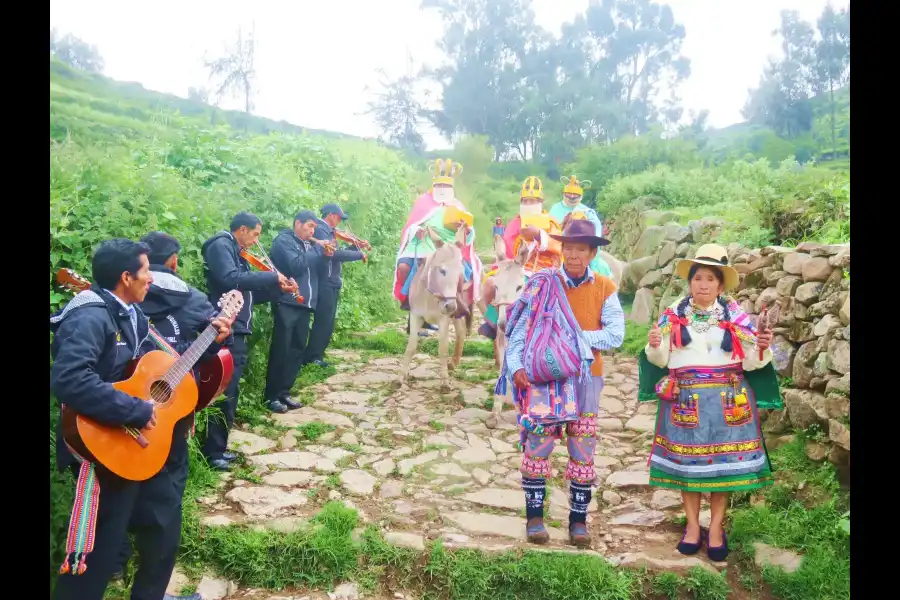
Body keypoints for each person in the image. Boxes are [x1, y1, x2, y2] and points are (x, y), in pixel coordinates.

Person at [50, 238, 231, 600]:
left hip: (139, 442)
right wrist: (135, 410)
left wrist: (209, 343)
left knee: (163, 526)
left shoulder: (132, 314)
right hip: (103, 446)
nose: (152, 278)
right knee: (97, 554)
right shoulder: (89, 315)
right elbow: (68, 379)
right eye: (147, 271)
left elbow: (163, 365)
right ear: (126, 277)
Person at [638, 243, 782, 562]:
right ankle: (692, 527)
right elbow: (660, 358)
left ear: (720, 284)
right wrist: (654, 345)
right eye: (698, 278)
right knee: (687, 467)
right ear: (690, 282)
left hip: (728, 402)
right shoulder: (673, 315)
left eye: (710, 279)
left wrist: (762, 347)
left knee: (722, 470)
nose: (703, 285)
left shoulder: (735, 316)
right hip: (685, 400)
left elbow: (753, 363)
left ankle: (715, 528)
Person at [502, 219, 625, 547]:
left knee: (582, 449)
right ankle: (535, 519)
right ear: (561, 250)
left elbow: (615, 334)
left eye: (580, 249)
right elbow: (519, 329)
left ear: (592, 253)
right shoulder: (541, 284)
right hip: (543, 380)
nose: (572, 254)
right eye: (568, 247)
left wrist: (568, 341)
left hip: (585, 379)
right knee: (537, 446)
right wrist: (515, 366)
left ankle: (578, 523)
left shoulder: (604, 288)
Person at [201, 212, 297, 468]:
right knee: (225, 388)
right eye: (254, 234)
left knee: (231, 389)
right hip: (226, 327)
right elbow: (229, 279)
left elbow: (248, 295)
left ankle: (219, 448)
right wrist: (270, 276)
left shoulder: (237, 251)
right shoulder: (220, 245)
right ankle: (213, 453)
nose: (256, 241)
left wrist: (278, 287)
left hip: (239, 327)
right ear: (242, 229)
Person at [393, 158, 482, 316]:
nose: (442, 188)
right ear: (434, 186)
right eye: (439, 185)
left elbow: (469, 233)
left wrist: (465, 229)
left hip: (449, 247)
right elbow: (411, 225)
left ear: (451, 187)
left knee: (464, 271)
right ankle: (409, 298)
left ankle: (459, 301)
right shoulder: (422, 203)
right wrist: (417, 230)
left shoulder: (458, 206)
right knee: (407, 266)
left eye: (446, 185)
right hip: (423, 244)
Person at [264, 210, 331, 412]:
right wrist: (316, 248)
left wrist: (326, 256)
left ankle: (285, 392)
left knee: (297, 349)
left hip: (306, 302)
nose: (312, 231)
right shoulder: (284, 241)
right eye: (309, 226)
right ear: (297, 224)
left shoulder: (309, 246)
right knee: (282, 349)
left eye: (314, 228)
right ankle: (271, 396)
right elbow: (296, 265)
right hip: (287, 301)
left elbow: (318, 272)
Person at [479, 176, 562, 339]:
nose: (529, 205)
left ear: (540, 202)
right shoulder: (514, 223)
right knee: (490, 284)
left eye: (533, 201)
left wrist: (539, 235)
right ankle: (491, 322)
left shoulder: (551, 223)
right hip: (516, 268)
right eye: (525, 201)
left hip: (544, 271)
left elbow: (559, 245)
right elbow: (508, 251)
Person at [302, 203, 367, 368]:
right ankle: (312, 357)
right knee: (323, 320)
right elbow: (334, 254)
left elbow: (339, 252)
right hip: (325, 281)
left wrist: (356, 247)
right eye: (338, 217)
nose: (339, 222)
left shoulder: (329, 231)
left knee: (328, 320)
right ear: (330, 215)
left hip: (332, 281)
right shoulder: (321, 230)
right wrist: (358, 254)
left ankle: (318, 355)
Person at [548, 175, 613, 278]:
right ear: (564, 194)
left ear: (581, 196)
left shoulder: (587, 211)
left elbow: (596, 230)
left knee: (601, 268)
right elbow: (550, 231)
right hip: (561, 248)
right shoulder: (555, 209)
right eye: (569, 194)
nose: (572, 197)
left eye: (575, 195)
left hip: (583, 245)